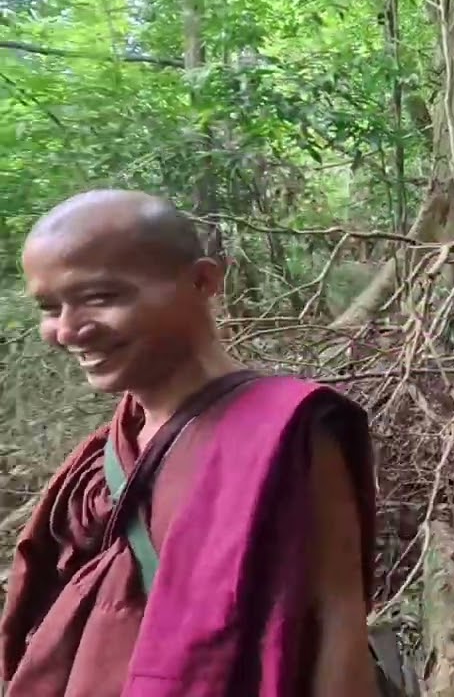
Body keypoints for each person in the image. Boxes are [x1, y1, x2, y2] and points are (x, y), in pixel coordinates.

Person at [1, 190, 379, 696]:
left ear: (203, 281)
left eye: (100, 297)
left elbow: (338, 622)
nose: (68, 331)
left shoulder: (284, 431)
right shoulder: (108, 449)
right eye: (50, 308)